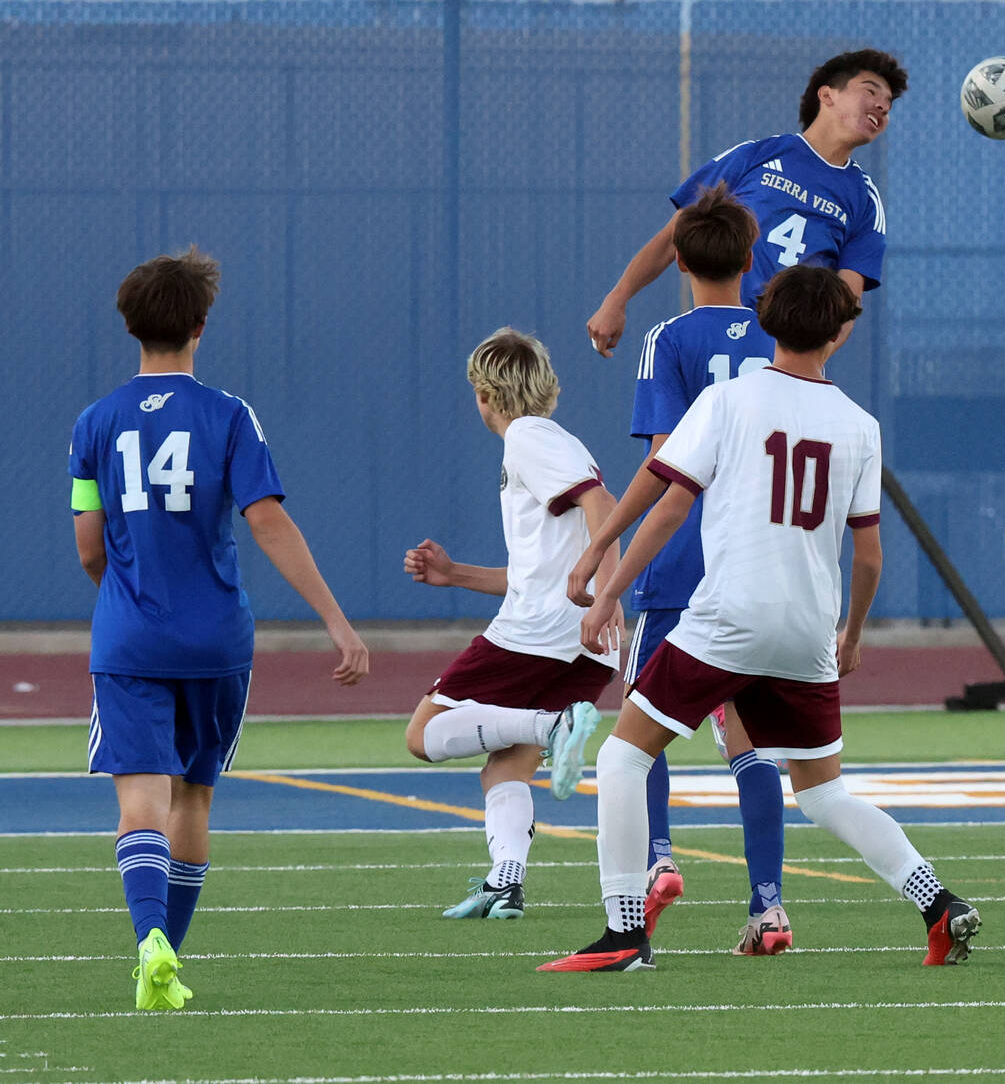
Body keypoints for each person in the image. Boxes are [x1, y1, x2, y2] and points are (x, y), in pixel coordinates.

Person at [540, 265, 980, 972]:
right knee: (825, 792)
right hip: (807, 630)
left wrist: (607, 581)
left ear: (766, 319)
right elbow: (868, 557)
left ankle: (625, 933)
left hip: (731, 619)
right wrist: (853, 634)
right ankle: (938, 902)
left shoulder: (728, 401)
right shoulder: (859, 426)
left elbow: (671, 504)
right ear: (838, 332)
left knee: (623, 755)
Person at [69, 246, 369, 1010]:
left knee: (139, 801)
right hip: (217, 644)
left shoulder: (94, 424)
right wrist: (337, 621)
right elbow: (266, 519)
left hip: (130, 640)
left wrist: (130, 601)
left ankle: (148, 947)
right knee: (194, 799)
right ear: (201, 326)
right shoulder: (230, 415)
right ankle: (170, 951)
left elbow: (89, 545)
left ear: (129, 326)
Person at [572, 181, 791, 954]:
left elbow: (664, 467)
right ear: (751, 256)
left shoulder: (669, 339)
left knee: (638, 728)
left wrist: (605, 558)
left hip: (682, 559)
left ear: (679, 263)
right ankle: (769, 905)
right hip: (761, 561)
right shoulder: (779, 335)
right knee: (753, 739)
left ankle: (658, 859)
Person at [404, 327, 622, 921]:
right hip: (579, 637)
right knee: (505, 766)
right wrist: (455, 575)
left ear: (486, 393)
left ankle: (554, 727)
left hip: (547, 631)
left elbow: (604, 505)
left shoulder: (527, 437)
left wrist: (607, 593)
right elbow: (538, 570)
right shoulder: (548, 439)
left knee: (423, 734)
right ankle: (506, 883)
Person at [585, 48, 907, 358]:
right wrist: (617, 299)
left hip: (789, 352)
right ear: (827, 95)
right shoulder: (757, 155)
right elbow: (675, 234)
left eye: (888, 103)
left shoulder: (865, 199)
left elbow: (846, 301)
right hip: (720, 338)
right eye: (871, 92)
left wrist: (804, 363)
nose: (882, 106)